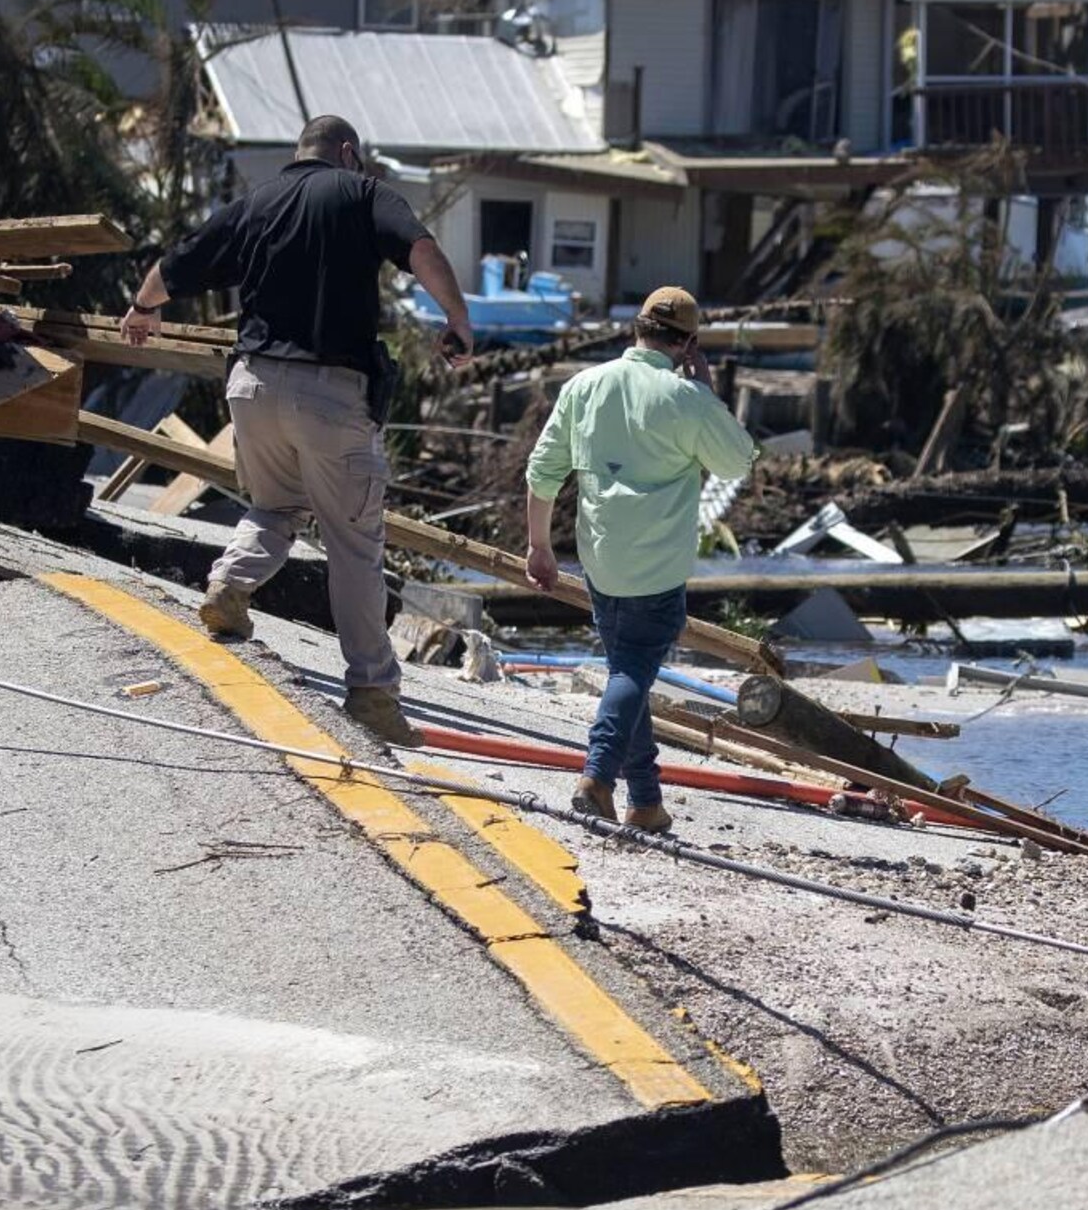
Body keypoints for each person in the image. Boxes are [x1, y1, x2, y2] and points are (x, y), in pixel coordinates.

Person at [121, 113, 473, 748]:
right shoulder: (364, 193)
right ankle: (371, 694)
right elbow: (422, 249)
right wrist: (457, 318)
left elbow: (178, 265)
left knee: (274, 505)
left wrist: (142, 309)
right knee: (354, 543)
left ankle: (230, 584)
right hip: (331, 393)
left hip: (253, 386)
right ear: (346, 152)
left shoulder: (255, 203)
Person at [522, 286, 756, 833]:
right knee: (631, 671)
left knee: (630, 674)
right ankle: (597, 777)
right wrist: (707, 391)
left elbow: (543, 471)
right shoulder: (687, 398)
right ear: (688, 343)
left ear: (637, 328)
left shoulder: (584, 386)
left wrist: (537, 545)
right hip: (657, 566)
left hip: (600, 558)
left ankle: (646, 802)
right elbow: (737, 461)